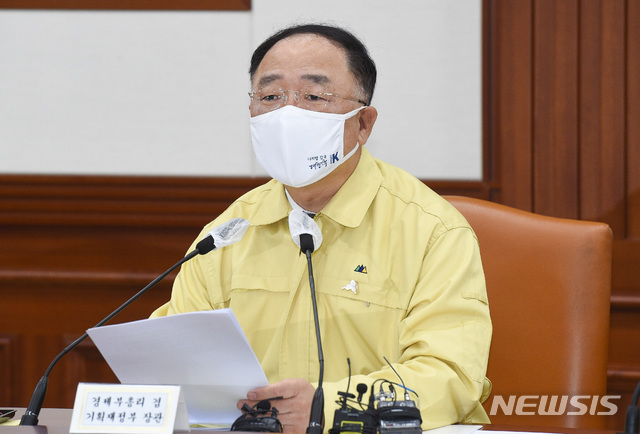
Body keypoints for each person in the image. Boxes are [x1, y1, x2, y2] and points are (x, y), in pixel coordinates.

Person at [151, 23, 492, 433]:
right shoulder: (226, 233)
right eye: (271, 96)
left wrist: (322, 407)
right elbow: (173, 360)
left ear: (363, 123)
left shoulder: (432, 231)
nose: (287, 114)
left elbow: (450, 378)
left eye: (313, 96)